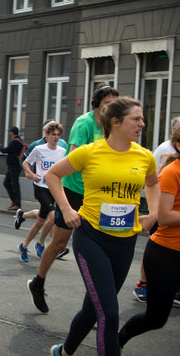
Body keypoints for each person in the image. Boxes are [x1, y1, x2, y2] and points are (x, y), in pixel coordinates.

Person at [47, 96, 159, 356]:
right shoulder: (90, 151)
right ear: (116, 122)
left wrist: (153, 213)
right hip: (91, 237)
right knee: (109, 313)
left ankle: (64, 352)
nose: (142, 123)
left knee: (93, 307)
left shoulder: (144, 156)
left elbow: (153, 184)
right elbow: (52, 174)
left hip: (125, 241)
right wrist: (66, 209)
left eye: (142, 119)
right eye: (136, 119)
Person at [27, 83, 119, 314]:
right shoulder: (84, 123)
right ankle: (38, 282)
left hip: (97, 193)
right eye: (108, 104)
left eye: (115, 105)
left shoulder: (113, 125)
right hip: (73, 190)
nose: (111, 109)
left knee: (101, 245)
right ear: (97, 105)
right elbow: (76, 157)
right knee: (59, 242)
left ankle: (99, 302)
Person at [118, 127, 180, 351]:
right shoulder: (172, 172)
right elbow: (164, 217)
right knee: (156, 318)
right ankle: (118, 340)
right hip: (167, 253)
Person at [133, 115, 180, 303]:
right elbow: (152, 177)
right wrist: (154, 209)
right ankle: (143, 283)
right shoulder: (164, 150)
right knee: (155, 239)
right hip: (163, 200)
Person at [15, 119, 68, 258]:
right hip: (41, 188)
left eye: (58, 135)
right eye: (53, 134)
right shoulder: (38, 149)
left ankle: (24, 245)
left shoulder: (63, 151)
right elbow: (26, 163)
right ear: (47, 135)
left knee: (40, 221)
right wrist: (31, 174)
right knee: (52, 217)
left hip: (54, 189)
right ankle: (40, 243)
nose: (56, 137)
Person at [0, 126, 27, 210]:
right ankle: (14, 201)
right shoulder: (19, 141)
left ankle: (17, 204)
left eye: (10, 131)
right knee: (7, 183)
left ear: (12, 132)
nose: (9, 133)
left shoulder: (15, 142)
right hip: (13, 166)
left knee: (15, 184)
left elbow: (4, 150)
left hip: (14, 166)